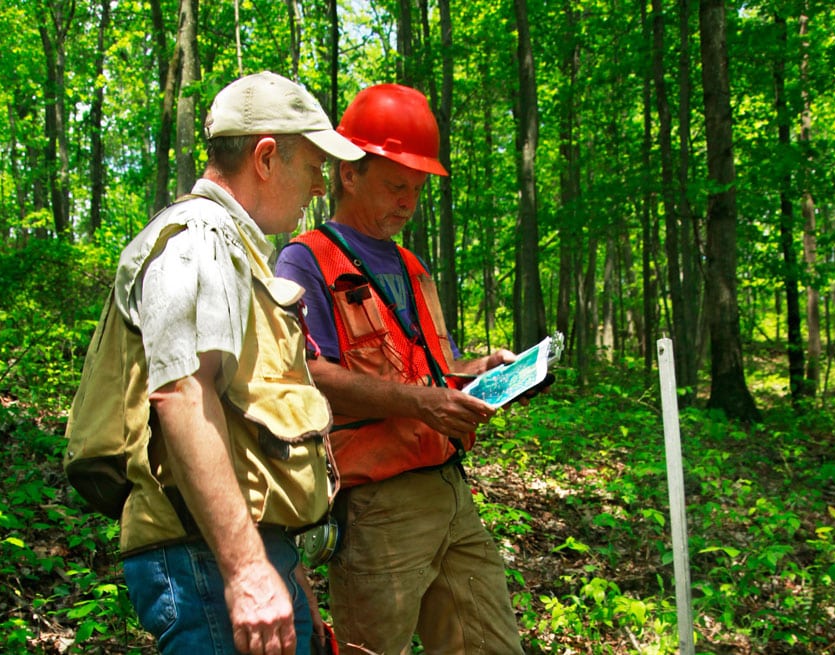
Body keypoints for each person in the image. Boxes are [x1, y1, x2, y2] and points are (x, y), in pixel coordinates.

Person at [97, 71, 363, 655]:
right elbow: (183, 397)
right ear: (266, 157)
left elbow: (242, 430)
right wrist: (245, 569)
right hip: (203, 562)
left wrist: (284, 569)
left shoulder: (233, 249)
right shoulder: (199, 241)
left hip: (225, 553)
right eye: (314, 166)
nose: (319, 186)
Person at [275, 83, 526, 655]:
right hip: (376, 508)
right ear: (348, 174)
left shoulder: (413, 266)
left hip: (451, 494)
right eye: (395, 185)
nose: (408, 202)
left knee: (490, 644)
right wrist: (421, 404)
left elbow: (433, 371)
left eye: (417, 188)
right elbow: (308, 379)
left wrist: (478, 372)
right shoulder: (307, 259)